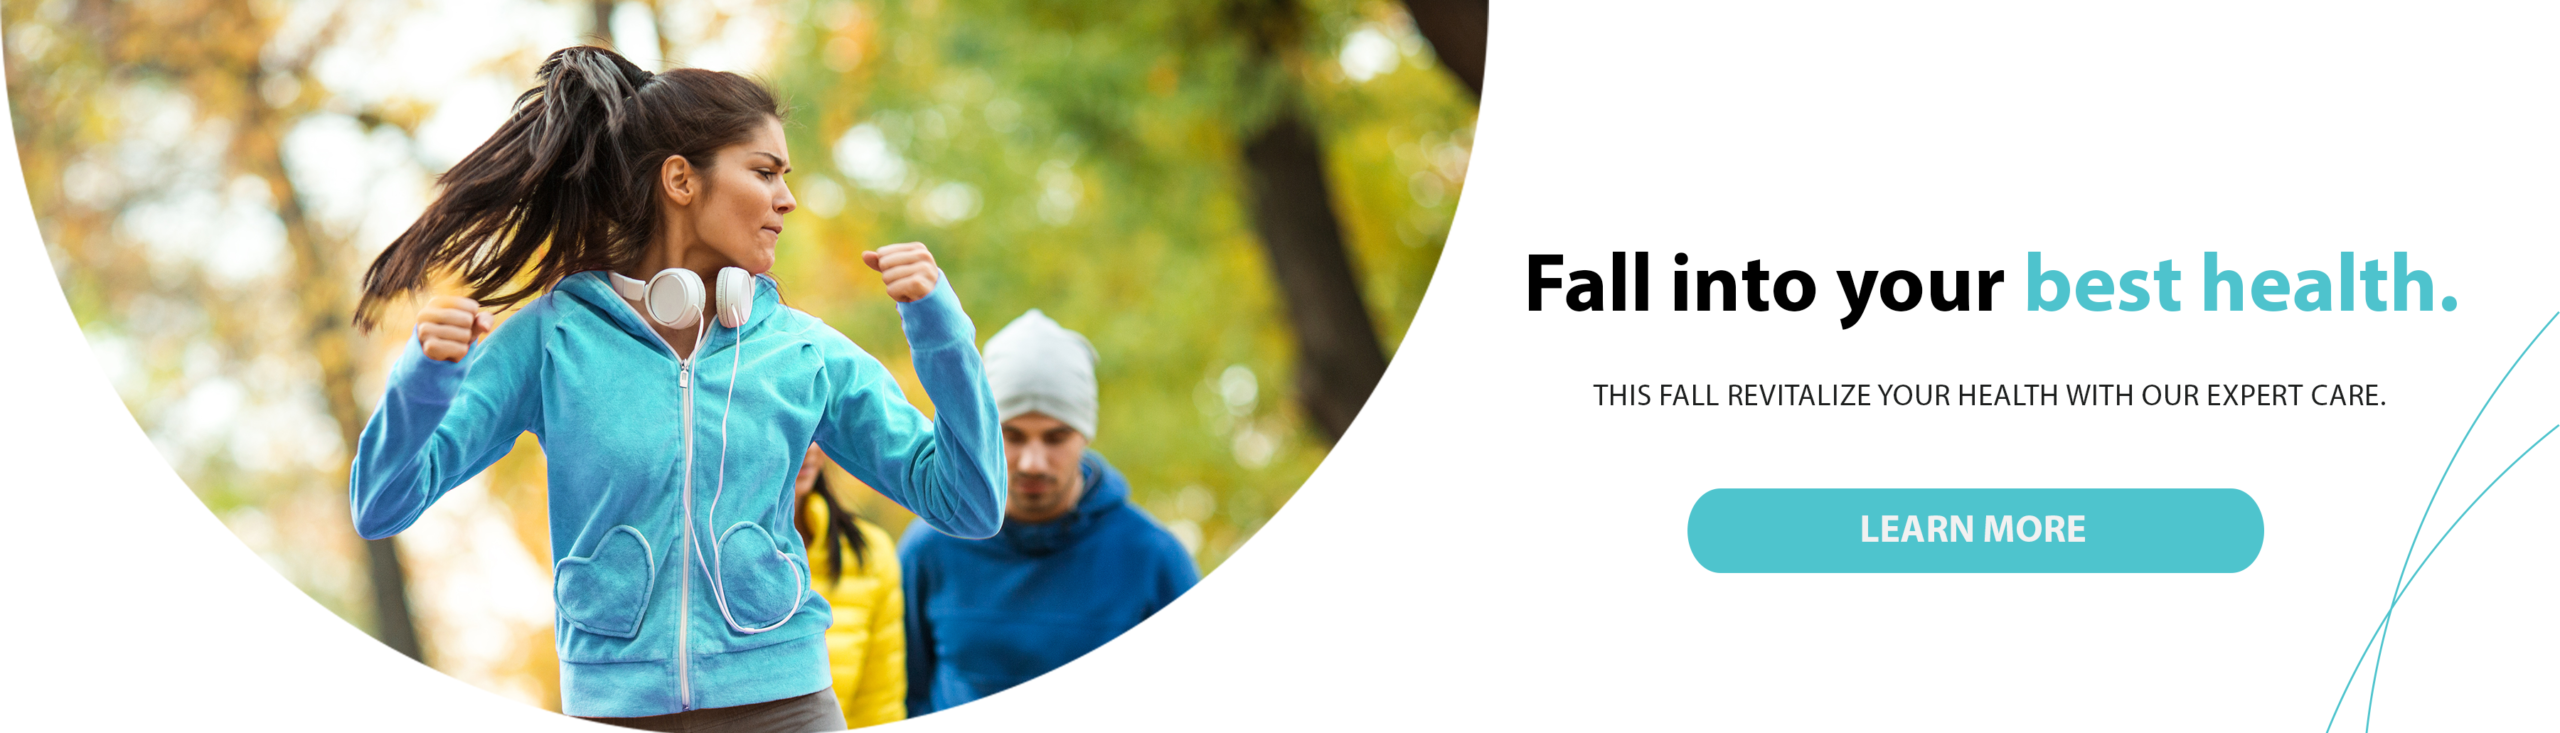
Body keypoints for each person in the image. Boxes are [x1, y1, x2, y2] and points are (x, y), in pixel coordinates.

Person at [346, 46, 1005, 731]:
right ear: (681, 180)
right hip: (614, 710)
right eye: (764, 171)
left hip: (787, 707)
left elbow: (969, 504)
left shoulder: (804, 353)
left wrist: (943, 336)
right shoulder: (551, 342)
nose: (788, 198)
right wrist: (424, 379)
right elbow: (381, 503)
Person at [899, 310, 1199, 716]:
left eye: (1056, 437)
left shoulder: (1153, 557)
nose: (1032, 462)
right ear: (983, 430)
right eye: (1013, 435)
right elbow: (904, 695)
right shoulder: (929, 548)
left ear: (1084, 435)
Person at [791, 445, 904, 728]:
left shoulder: (870, 555)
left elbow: (879, 709)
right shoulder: (699, 559)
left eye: (815, 418)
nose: (809, 446)